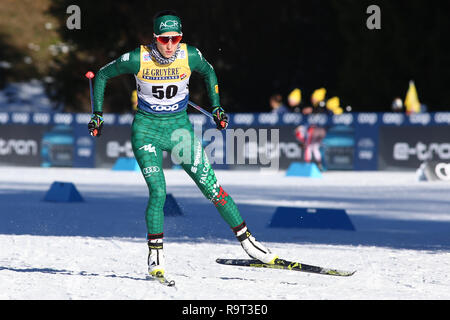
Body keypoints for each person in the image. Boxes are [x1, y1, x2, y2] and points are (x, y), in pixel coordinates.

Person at [87, 10, 277, 279]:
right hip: (147, 131)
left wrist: (218, 108)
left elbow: (209, 73)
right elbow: (103, 75)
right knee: (159, 191)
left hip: (179, 130)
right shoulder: (137, 58)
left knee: (213, 188)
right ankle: (156, 257)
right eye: (164, 39)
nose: (169, 44)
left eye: (175, 38)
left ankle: (250, 244)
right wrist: (97, 114)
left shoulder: (191, 55)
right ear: (155, 38)